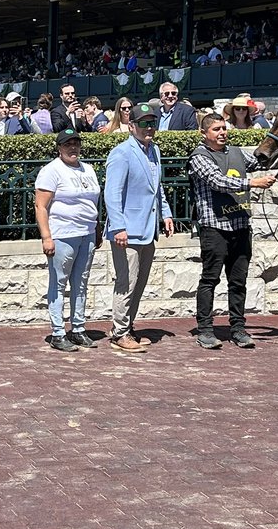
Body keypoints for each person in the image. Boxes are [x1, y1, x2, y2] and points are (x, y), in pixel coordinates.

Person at [189, 113, 276, 350]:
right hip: (214, 228)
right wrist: (253, 183)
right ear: (204, 133)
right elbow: (218, 181)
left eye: (224, 128)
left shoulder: (236, 152)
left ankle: (238, 328)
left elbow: (260, 162)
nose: (222, 133)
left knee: (238, 282)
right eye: (216, 129)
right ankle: (205, 330)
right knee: (210, 279)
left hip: (240, 225)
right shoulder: (199, 157)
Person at [103, 102, 174, 353]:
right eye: (143, 123)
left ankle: (127, 327)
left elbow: (158, 188)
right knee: (127, 282)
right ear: (131, 126)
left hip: (148, 229)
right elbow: (112, 193)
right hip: (127, 231)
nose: (149, 128)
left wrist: (166, 214)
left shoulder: (154, 150)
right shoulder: (121, 153)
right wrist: (118, 227)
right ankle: (119, 332)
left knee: (140, 282)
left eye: (152, 123)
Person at [35, 128, 102, 352]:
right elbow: (41, 206)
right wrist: (47, 237)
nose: (72, 147)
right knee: (59, 282)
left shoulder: (88, 169)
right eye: (67, 144)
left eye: (76, 143)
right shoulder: (51, 171)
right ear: (59, 148)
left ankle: (79, 328)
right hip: (63, 233)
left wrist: (97, 228)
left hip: (87, 232)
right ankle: (57, 331)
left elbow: (93, 202)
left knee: (81, 281)